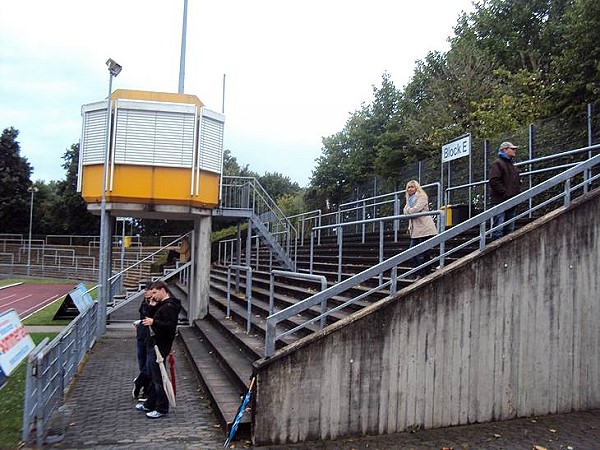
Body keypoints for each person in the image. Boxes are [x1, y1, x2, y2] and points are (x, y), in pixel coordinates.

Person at [135, 280, 181, 419]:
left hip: (159, 346)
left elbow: (169, 326)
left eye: (155, 292)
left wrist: (154, 322)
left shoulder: (169, 307)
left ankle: (161, 407)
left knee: (158, 378)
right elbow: (149, 318)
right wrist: (151, 307)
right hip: (154, 345)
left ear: (163, 290)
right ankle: (150, 403)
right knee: (154, 375)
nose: (153, 295)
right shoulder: (161, 305)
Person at [403, 180, 438, 278]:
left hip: (424, 227)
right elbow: (405, 211)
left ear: (416, 188)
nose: (410, 189)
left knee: (425, 251)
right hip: (415, 229)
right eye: (408, 187)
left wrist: (408, 210)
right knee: (412, 251)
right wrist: (409, 211)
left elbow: (415, 209)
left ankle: (424, 272)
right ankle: (422, 272)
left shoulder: (422, 196)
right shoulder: (409, 198)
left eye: (412, 187)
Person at [489, 141, 521, 240]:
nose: (515, 150)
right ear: (505, 149)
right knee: (499, 227)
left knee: (509, 229)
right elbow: (494, 180)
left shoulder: (512, 166)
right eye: (512, 149)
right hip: (501, 200)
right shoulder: (498, 164)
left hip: (511, 200)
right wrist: (505, 193)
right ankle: (494, 248)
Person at [132, 285, 156, 401]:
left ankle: (140, 383)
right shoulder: (144, 303)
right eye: (145, 290)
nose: (146, 293)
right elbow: (144, 317)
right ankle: (144, 390)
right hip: (142, 336)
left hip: (151, 338)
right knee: (143, 365)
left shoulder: (156, 304)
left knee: (149, 365)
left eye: (148, 290)